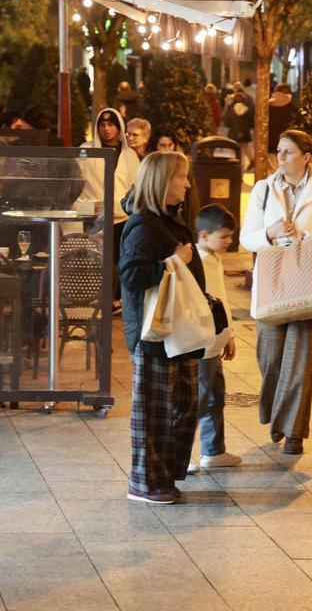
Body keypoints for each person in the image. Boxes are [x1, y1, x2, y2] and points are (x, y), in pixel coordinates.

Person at [239, 129, 312, 456]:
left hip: (308, 283)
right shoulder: (263, 190)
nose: (280, 158)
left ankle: (294, 433)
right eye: (279, 152)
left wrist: (301, 237)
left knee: (299, 363)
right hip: (272, 281)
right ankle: (277, 413)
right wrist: (270, 234)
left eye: (287, 152)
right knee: (269, 358)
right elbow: (246, 236)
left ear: (306, 156)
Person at [118, 152, 205, 505]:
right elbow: (131, 275)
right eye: (180, 177)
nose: (187, 184)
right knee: (154, 413)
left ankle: (164, 476)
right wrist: (172, 262)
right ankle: (145, 483)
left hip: (177, 332)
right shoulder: (144, 225)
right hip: (154, 334)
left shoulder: (168, 220)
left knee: (181, 405)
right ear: (161, 182)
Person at [188, 204, 241, 472]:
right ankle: (184, 453)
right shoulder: (199, 262)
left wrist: (228, 335)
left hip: (216, 339)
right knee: (200, 398)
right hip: (203, 343)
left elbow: (222, 301)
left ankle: (213, 450)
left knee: (215, 395)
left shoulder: (213, 258)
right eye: (224, 237)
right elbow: (205, 304)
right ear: (204, 235)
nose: (229, 242)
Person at [79, 108, 141, 301]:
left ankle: (117, 299)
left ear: (118, 127)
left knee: (119, 260)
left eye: (111, 124)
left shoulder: (130, 155)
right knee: (96, 261)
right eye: (102, 124)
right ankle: (96, 297)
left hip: (122, 218)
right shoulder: (85, 150)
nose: (106, 129)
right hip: (94, 217)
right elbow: (78, 181)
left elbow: (135, 186)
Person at [222, 88, 254, 171]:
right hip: (245, 134)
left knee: (235, 153)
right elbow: (251, 123)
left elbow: (227, 123)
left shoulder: (231, 110)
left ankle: (236, 170)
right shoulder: (248, 110)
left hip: (233, 134)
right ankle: (242, 170)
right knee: (243, 152)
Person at [267, 83, 296, 171]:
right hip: (288, 146)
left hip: (271, 145)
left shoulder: (266, 108)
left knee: (273, 171)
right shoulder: (293, 110)